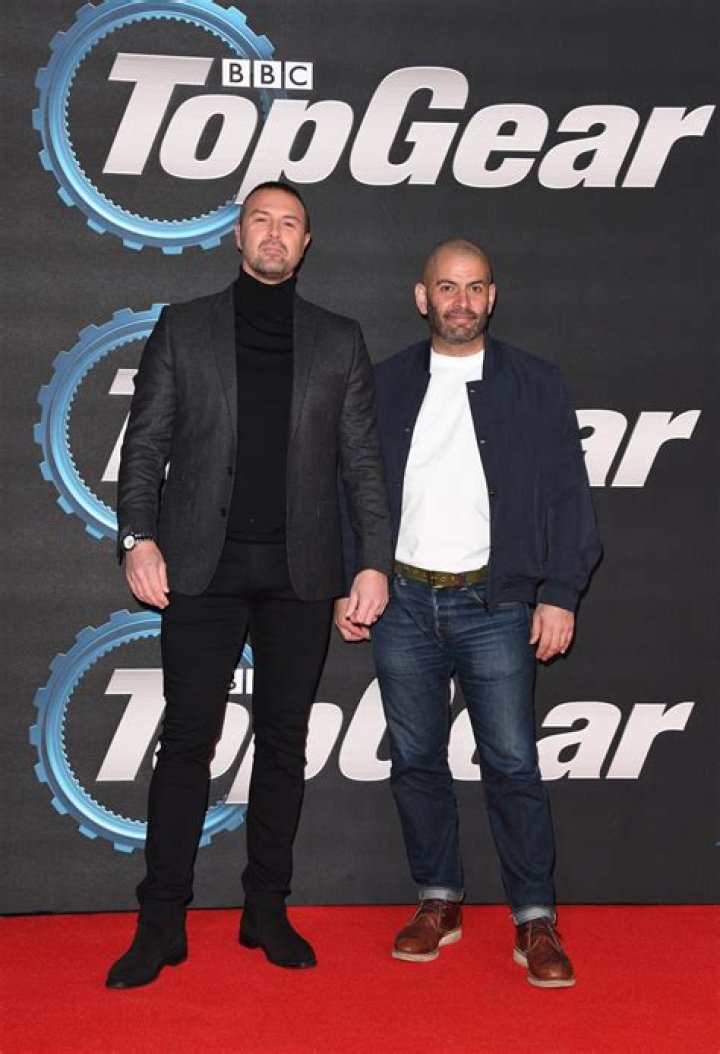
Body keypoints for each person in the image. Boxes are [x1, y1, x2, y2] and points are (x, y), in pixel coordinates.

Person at [107, 181, 391, 988]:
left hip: (303, 572)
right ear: (238, 237)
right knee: (186, 741)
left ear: (306, 242)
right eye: (260, 220)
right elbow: (144, 446)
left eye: (289, 223)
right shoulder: (183, 327)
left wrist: (372, 560)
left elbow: (362, 464)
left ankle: (265, 908)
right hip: (203, 567)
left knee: (285, 742)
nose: (274, 233)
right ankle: (161, 922)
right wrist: (136, 538)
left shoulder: (339, 340)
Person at [335, 239, 601, 987]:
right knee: (416, 760)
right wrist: (349, 579)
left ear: (492, 297)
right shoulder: (383, 382)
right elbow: (352, 489)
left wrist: (560, 592)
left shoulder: (536, 383)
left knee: (513, 762)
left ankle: (535, 918)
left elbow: (568, 497)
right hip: (402, 603)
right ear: (423, 298)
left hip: (496, 603)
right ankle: (438, 900)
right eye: (447, 288)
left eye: (475, 287)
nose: (461, 301)